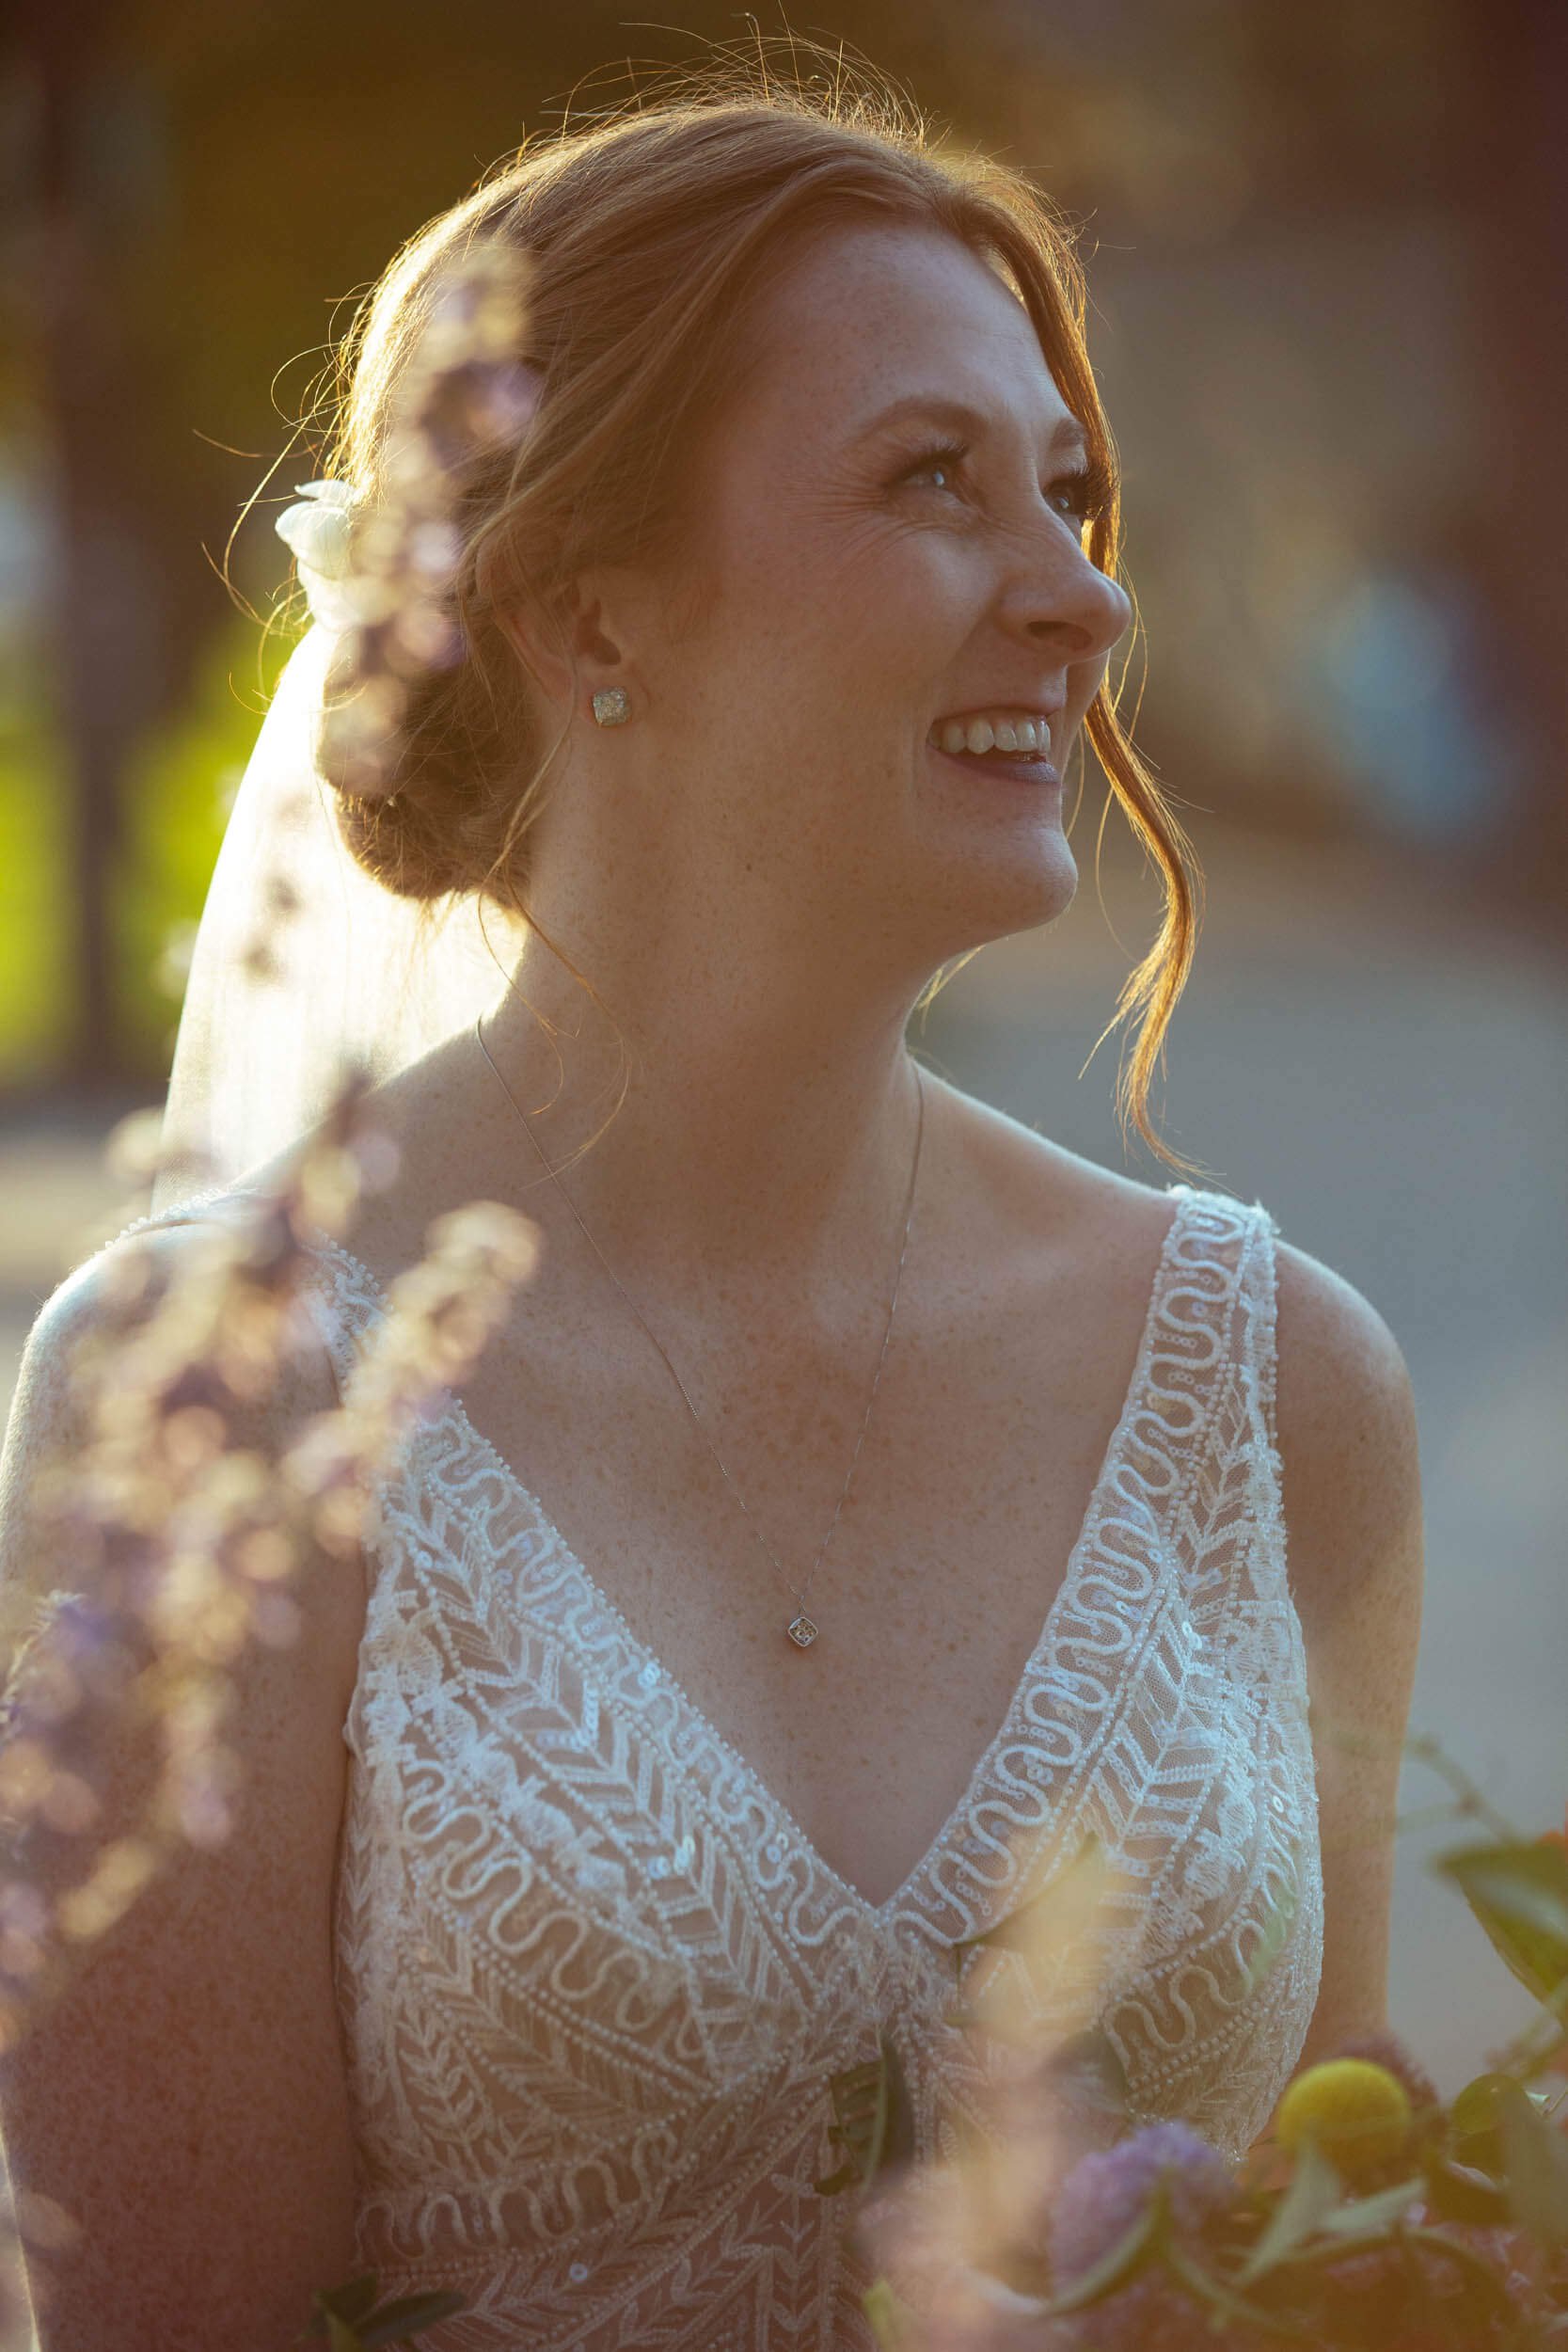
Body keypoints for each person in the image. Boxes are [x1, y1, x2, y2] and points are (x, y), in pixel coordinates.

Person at [0, 60, 1424, 2352]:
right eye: (935, 483)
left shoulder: (1281, 1387)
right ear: (587, 613)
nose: (1083, 598)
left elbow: (1350, 2240)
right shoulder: (230, 1413)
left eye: (1073, 495)